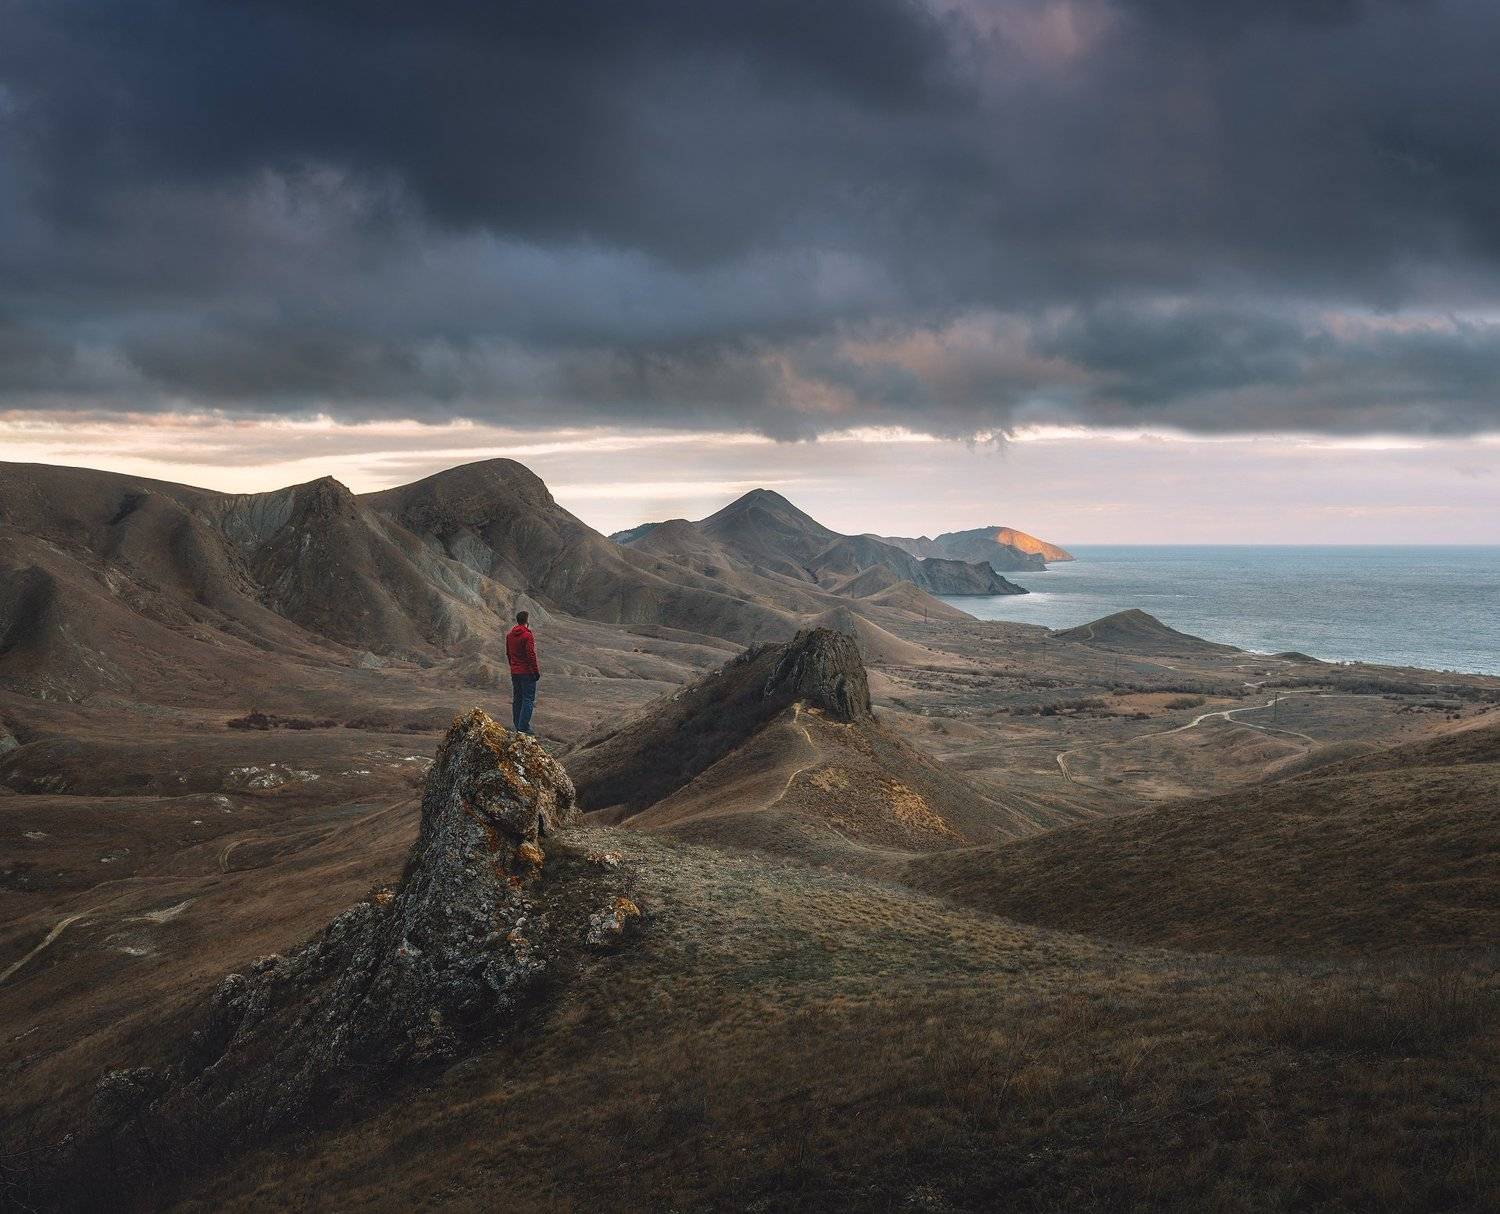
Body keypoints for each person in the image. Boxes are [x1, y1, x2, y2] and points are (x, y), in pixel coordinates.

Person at [505, 610, 541, 734]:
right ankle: (523, 728)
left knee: (517, 699)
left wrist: (513, 667)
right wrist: (535, 671)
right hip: (527, 672)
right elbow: (531, 655)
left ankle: (518, 726)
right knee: (528, 699)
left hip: (515, 672)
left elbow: (508, 654)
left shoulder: (509, 635)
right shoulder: (527, 635)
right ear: (527, 621)